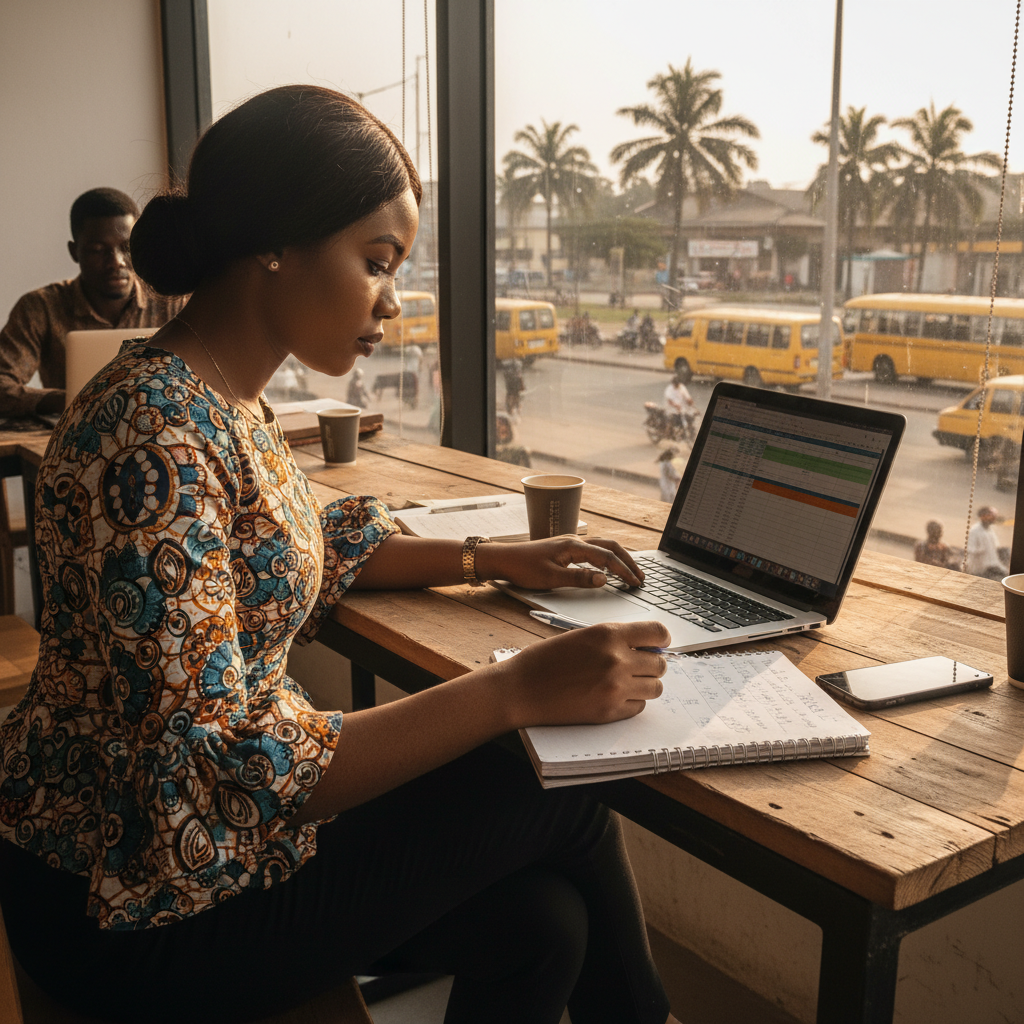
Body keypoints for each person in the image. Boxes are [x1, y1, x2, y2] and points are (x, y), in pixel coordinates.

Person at [0, 85, 679, 1024]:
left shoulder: (218, 395)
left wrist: (493, 558)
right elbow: (216, 765)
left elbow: (300, 543)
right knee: (554, 791)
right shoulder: (152, 433)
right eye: (377, 261)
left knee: (544, 925)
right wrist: (512, 689)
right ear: (276, 244)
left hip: (198, 843)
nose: (393, 302)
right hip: (136, 898)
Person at [0, 187, 184, 418]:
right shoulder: (40, 307)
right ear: (74, 251)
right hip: (73, 432)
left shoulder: (171, 302)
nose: (116, 262)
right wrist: (73, 399)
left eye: (126, 248)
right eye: (98, 250)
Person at [966, 506, 1009, 579]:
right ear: (983, 516)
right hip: (981, 566)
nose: (993, 518)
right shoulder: (975, 530)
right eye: (990, 516)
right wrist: (981, 550)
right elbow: (969, 549)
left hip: (992, 563)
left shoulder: (990, 530)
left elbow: (996, 546)